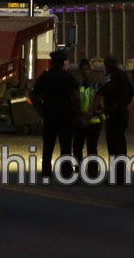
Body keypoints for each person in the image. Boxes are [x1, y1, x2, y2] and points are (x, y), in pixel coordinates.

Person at [30, 50, 78, 179]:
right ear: (63, 63)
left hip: (50, 114)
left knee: (48, 145)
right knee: (66, 146)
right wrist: (75, 111)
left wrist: (40, 110)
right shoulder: (68, 77)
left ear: (52, 62)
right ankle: (66, 172)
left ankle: (46, 172)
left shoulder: (45, 77)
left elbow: (34, 96)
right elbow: (76, 96)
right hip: (65, 115)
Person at [100, 54, 134, 183]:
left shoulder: (111, 75)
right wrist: (125, 103)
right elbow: (131, 90)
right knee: (121, 144)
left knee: (113, 145)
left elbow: (107, 89)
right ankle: (121, 174)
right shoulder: (123, 75)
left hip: (114, 114)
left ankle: (116, 176)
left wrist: (111, 103)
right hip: (122, 112)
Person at [73, 58, 103, 177]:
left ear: (90, 70)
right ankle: (78, 171)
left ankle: (92, 173)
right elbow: (74, 102)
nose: (85, 71)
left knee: (92, 148)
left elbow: (99, 102)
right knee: (77, 147)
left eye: (87, 69)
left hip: (93, 121)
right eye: (83, 69)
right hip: (80, 121)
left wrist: (89, 114)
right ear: (80, 71)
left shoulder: (97, 85)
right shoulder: (77, 86)